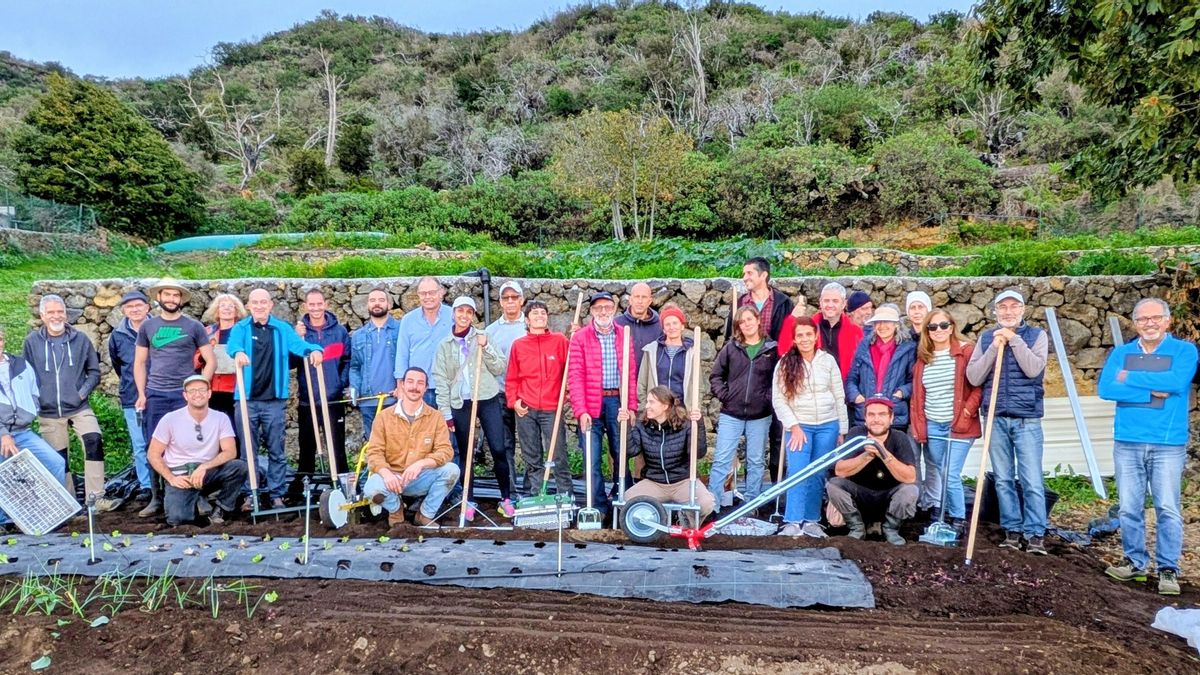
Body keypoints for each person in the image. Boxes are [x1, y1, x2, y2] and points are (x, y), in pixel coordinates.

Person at [1098, 298, 1198, 595]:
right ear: (1135, 323)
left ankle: (1168, 568)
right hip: (1127, 441)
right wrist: (1149, 391)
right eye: (1142, 319)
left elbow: (1176, 383)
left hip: (1167, 443)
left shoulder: (1184, 351)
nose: (1149, 323)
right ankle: (1135, 563)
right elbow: (1106, 388)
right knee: (1129, 507)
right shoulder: (1123, 352)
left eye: (1155, 318)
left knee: (1167, 507)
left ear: (1167, 321)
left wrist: (1130, 378)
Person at [965, 289, 1050, 555]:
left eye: (1014, 307)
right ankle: (1012, 530)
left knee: (1032, 479)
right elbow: (974, 376)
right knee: (1002, 478)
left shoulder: (1037, 336)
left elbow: (1034, 368)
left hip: (1027, 419)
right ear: (995, 312)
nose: (1008, 312)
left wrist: (1013, 340)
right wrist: (994, 346)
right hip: (996, 418)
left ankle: (1035, 533)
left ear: (1023, 310)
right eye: (1003, 308)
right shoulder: (987, 338)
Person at [227, 288, 323, 509]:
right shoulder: (240, 328)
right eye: (255, 303)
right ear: (249, 306)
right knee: (247, 450)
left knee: (276, 450)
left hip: (274, 400)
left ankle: (276, 493)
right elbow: (233, 346)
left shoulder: (281, 328)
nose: (259, 306)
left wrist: (315, 350)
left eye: (263, 302)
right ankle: (250, 493)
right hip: (247, 400)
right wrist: (238, 353)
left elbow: (299, 346)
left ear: (270, 305)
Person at [23, 294, 117, 511]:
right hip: (48, 411)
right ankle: (68, 502)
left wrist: (81, 394)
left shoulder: (81, 339)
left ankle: (96, 498)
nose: (57, 316)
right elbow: (27, 375)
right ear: (43, 315)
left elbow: (94, 372)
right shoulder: (32, 342)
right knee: (59, 457)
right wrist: (36, 400)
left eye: (60, 312)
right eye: (52, 312)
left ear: (66, 314)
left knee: (94, 440)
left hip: (78, 407)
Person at [133, 278, 215, 517]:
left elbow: (210, 361)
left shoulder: (194, 326)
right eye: (166, 295)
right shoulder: (147, 328)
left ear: (181, 299)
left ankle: (198, 494)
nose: (170, 299)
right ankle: (156, 498)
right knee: (153, 445)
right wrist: (141, 393)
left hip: (184, 397)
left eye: (175, 295)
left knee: (192, 445)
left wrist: (200, 389)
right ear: (159, 298)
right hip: (157, 394)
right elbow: (139, 363)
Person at [432, 296, 514, 517]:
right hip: (460, 402)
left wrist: (486, 347)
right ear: (454, 313)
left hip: (486, 397)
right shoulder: (444, 345)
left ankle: (505, 497)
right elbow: (441, 380)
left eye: (469, 312)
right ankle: (469, 500)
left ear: (473, 316)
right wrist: (446, 413)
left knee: (498, 448)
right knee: (466, 452)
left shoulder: (482, 337)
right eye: (461, 311)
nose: (464, 316)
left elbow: (499, 367)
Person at [772, 315, 848, 538]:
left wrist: (841, 429)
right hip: (800, 426)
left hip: (827, 425)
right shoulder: (785, 363)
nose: (804, 339)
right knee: (797, 472)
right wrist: (793, 426)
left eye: (808, 334)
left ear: (816, 336)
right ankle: (793, 521)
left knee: (817, 473)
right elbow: (779, 400)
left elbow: (838, 394)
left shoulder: (828, 361)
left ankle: (812, 520)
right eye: (800, 335)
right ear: (794, 339)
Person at [909, 309, 982, 529]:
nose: (938, 330)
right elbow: (919, 394)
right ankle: (940, 515)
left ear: (951, 327)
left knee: (950, 473)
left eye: (943, 325)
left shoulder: (965, 351)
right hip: (933, 423)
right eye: (932, 327)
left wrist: (967, 413)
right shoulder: (924, 358)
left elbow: (978, 388)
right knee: (938, 469)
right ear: (927, 332)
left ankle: (958, 518)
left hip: (959, 425)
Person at [567, 291, 638, 515]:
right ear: (592, 312)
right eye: (598, 308)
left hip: (618, 401)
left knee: (621, 453)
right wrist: (581, 411)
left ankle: (622, 501)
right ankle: (597, 506)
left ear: (614, 310)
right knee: (592, 457)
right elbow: (575, 376)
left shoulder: (624, 335)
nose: (603, 312)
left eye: (607, 307)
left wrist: (632, 406)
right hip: (591, 403)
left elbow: (631, 373)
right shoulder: (580, 338)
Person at [362, 367, 460, 528]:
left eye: (420, 383)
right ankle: (396, 509)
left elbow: (445, 451)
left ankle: (424, 514)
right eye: (410, 382)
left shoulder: (435, 417)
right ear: (401, 385)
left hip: (421, 478)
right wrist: (386, 474)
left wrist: (421, 464)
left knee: (451, 470)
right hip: (392, 479)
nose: (415, 387)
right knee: (371, 488)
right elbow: (374, 453)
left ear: (426, 388)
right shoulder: (384, 417)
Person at [147, 374, 248, 526]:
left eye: (201, 390)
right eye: (192, 391)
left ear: (209, 393)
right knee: (178, 519)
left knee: (239, 467)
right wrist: (171, 478)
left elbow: (230, 451)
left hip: (207, 473)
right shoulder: (170, 419)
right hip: (181, 475)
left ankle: (221, 508)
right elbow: (153, 454)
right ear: (185, 396)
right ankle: (197, 500)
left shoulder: (221, 418)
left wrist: (204, 467)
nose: (197, 394)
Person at [708, 305, 778, 511]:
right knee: (722, 458)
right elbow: (715, 376)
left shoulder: (771, 349)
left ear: (758, 320)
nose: (746, 324)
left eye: (749, 319)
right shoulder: (732, 347)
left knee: (756, 461)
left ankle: (751, 504)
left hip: (760, 414)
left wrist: (767, 399)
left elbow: (778, 380)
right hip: (732, 413)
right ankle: (712, 504)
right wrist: (725, 395)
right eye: (741, 321)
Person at [0, 327, 68, 531]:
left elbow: (33, 390)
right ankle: (4, 521)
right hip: (2, 434)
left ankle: (53, 513)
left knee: (55, 462)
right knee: (3, 476)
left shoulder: (20, 364)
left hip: (23, 431)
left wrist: (31, 409)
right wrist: (3, 434)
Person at [505, 300, 574, 500]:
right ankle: (536, 497)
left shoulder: (560, 341)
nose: (539, 316)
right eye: (535, 314)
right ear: (527, 320)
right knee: (532, 456)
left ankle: (566, 496)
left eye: (543, 313)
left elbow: (572, 368)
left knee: (559, 455)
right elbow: (512, 378)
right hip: (526, 408)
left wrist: (567, 394)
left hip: (552, 407)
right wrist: (514, 401)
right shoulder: (518, 345)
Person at [826, 398, 919, 545]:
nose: (876, 419)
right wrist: (867, 455)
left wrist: (884, 453)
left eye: (882, 415)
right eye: (871, 415)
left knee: (910, 490)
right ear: (865, 418)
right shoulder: (856, 433)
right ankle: (857, 527)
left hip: (889, 498)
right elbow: (840, 470)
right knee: (834, 485)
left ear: (891, 418)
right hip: (860, 496)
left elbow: (910, 477)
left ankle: (891, 529)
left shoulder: (899, 437)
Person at [618, 385, 714, 522]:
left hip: (683, 481)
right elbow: (631, 451)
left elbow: (698, 453)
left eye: (651, 402)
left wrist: (698, 424)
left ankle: (686, 521)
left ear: (665, 406)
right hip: (655, 482)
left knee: (706, 504)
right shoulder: (642, 425)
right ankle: (655, 525)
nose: (646, 406)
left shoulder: (685, 424)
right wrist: (625, 425)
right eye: (647, 402)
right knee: (627, 500)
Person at [294, 288, 351, 483]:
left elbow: (347, 360)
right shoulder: (300, 333)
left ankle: (342, 482)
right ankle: (304, 485)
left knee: (336, 445)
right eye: (312, 304)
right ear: (305, 306)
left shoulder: (339, 332)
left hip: (333, 399)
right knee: (307, 445)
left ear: (325, 304)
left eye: (319, 304)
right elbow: (291, 362)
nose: (316, 308)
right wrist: (295, 339)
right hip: (308, 399)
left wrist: (340, 384)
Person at [107, 290, 152, 499]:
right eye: (129, 307)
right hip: (131, 397)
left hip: (160, 394)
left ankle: (168, 484)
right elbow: (119, 365)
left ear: (147, 307)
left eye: (138, 305)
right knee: (140, 444)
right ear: (124, 310)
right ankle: (146, 485)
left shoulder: (159, 328)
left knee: (165, 442)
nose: (134, 310)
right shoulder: (117, 336)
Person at [486, 281, 526, 497]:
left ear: (522, 300)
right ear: (500, 302)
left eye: (514, 297)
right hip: (500, 394)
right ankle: (510, 492)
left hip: (527, 394)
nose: (510, 301)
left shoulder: (531, 327)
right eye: (505, 297)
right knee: (504, 444)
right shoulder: (491, 331)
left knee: (531, 445)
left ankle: (531, 490)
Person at [846, 304, 916, 430]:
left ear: (896, 324)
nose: (882, 326)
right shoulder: (864, 346)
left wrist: (901, 393)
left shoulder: (908, 348)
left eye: (887, 321)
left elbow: (914, 380)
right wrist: (856, 397)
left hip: (894, 415)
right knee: (865, 449)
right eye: (878, 322)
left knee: (891, 450)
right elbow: (852, 378)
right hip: (866, 414)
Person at [349, 287, 401, 442]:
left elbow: (409, 361)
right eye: (372, 300)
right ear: (367, 305)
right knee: (374, 446)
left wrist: (403, 386)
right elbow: (355, 367)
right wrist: (354, 389)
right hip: (368, 401)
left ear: (389, 304)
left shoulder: (401, 330)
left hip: (394, 400)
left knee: (397, 446)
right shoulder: (358, 336)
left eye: (381, 300)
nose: (376, 304)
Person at [395, 276, 454, 408]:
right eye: (423, 293)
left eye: (432, 292)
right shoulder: (408, 320)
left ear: (441, 292)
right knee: (419, 428)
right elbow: (402, 354)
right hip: (418, 388)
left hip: (448, 386)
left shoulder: (453, 316)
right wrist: (401, 386)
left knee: (448, 428)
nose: (427, 297)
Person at [200, 293, 247, 438]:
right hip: (213, 386)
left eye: (231, 306)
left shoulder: (244, 331)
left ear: (237, 310)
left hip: (237, 386)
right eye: (222, 306)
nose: (226, 309)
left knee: (236, 427)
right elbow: (196, 357)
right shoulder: (207, 332)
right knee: (213, 427)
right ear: (216, 310)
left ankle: (237, 459)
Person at [636, 303, 699, 410]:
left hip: (682, 409)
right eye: (667, 324)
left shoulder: (692, 352)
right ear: (663, 329)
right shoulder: (651, 351)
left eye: (675, 323)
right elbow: (642, 384)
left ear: (682, 326)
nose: (672, 327)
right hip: (657, 409)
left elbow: (699, 386)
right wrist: (646, 406)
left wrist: (695, 408)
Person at [730, 257, 793, 342]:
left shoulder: (784, 303)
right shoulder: (739, 304)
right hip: (745, 354)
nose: (744, 278)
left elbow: (789, 336)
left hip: (774, 354)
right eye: (744, 274)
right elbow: (730, 338)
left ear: (763, 275)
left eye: (749, 273)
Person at [813, 282, 864, 382]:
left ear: (843, 304)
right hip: (815, 387)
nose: (830, 305)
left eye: (835, 301)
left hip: (845, 388)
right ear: (820, 302)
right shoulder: (809, 328)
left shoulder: (856, 332)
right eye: (826, 301)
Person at [615, 282, 662, 367]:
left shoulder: (659, 326)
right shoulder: (617, 324)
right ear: (630, 299)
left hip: (648, 378)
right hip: (623, 378)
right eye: (637, 297)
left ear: (649, 301)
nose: (640, 301)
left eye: (644, 297)